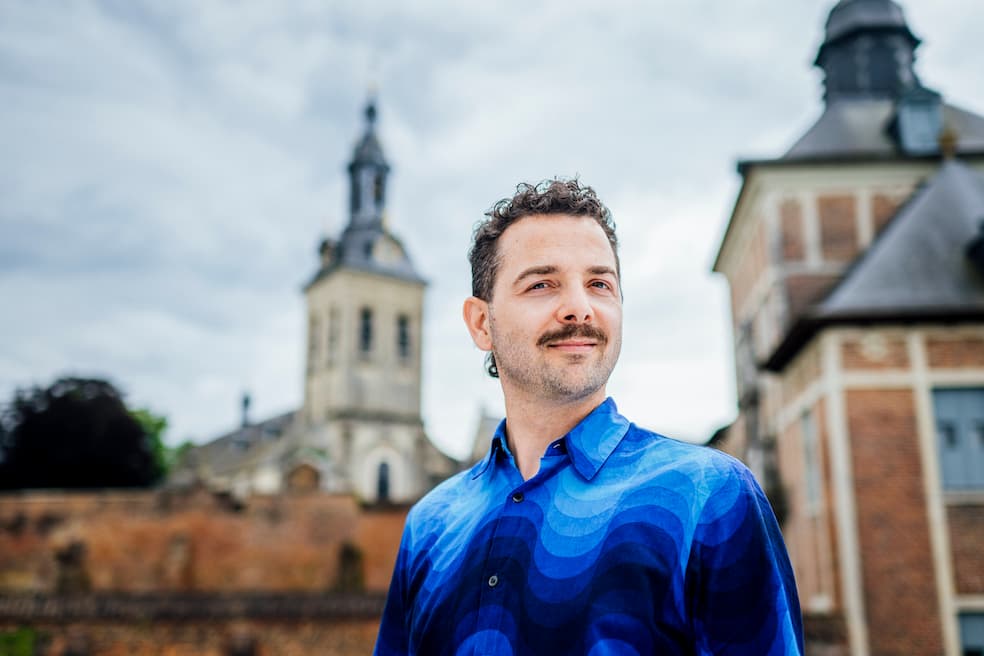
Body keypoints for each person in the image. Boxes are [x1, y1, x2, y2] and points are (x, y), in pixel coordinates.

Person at [374, 179, 804, 655]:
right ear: (481, 323)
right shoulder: (430, 523)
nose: (579, 307)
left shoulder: (709, 494)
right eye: (542, 284)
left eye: (599, 284)